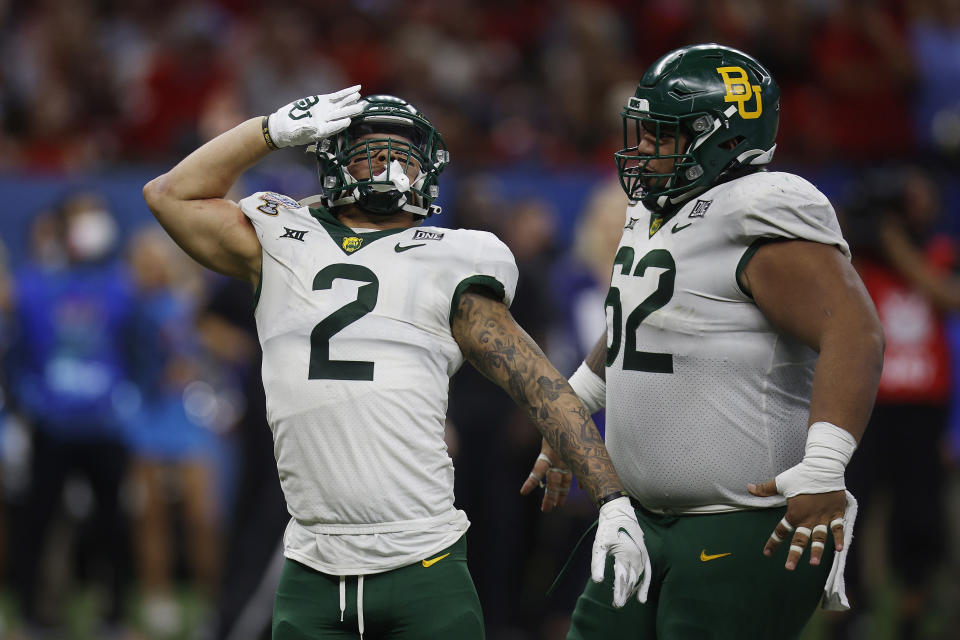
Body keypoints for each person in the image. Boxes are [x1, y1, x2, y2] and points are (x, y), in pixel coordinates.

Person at [143, 86, 648, 639]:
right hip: (315, 564)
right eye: (372, 149)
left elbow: (539, 382)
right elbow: (169, 194)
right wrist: (268, 130)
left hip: (422, 565)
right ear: (331, 156)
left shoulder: (450, 254)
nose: (391, 163)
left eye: (405, 152)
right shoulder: (278, 236)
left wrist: (612, 499)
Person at [529, 44, 885, 639]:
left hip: (741, 524)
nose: (641, 149)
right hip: (640, 521)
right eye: (641, 132)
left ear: (721, 138)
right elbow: (637, 324)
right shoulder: (653, 208)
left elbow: (855, 332)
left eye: (661, 136)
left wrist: (825, 466)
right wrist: (575, 404)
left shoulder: (761, 207)